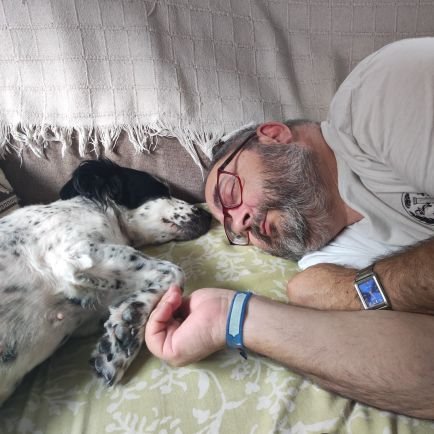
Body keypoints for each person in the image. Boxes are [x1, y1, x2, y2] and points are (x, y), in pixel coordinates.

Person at [145, 38, 434, 419]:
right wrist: (231, 318)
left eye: (230, 192)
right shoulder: (322, 272)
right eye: (236, 232)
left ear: (273, 135)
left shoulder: (374, 96)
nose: (241, 222)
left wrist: (354, 293)